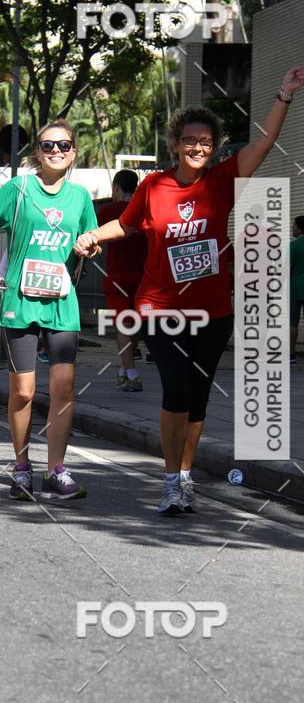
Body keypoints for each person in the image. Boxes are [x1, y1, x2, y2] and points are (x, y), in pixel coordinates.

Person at [75, 66, 304, 514]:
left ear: (213, 146)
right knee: (176, 389)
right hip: (160, 307)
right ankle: (167, 478)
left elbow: (264, 143)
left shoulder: (222, 181)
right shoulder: (154, 185)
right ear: (175, 143)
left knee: (198, 397)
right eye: (189, 140)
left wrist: (285, 94)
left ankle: (184, 475)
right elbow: (125, 224)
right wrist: (93, 237)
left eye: (206, 141)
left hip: (214, 310)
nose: (197, 147)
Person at [0, 118, 97, 501]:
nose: (56, 151)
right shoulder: (19, 189)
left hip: (63, 303)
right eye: (47, 145)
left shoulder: (80, 197)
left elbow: (90, 238)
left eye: (63, 145)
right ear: (37, 153)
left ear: (74, 151)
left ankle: (56, 470)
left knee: (64, 389)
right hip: (20, 302)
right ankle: (22, 466)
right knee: (23, 391)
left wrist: (90, 245)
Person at [97, 169, 148, 392]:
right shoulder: (146, 210)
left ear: (116, 188)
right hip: (143, 277)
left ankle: (131, 373)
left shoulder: (108, 210)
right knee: (133, 325)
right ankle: (123, 369)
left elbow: (94, 237)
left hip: (117, 277)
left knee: (123, 326)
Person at [290, 215, 304, 363]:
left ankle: (291, 355)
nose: (292, 228)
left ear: (300, 228)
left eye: (294, 225)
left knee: (293, 322)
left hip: (295, 288)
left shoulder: (294, 246)